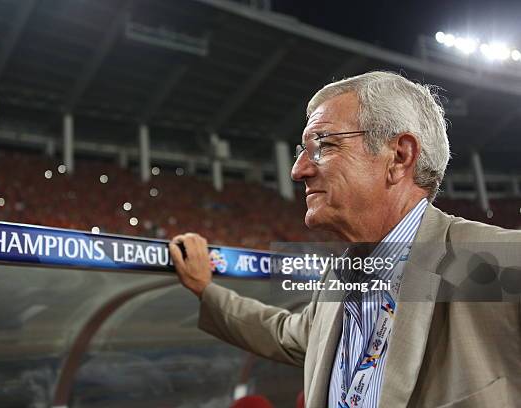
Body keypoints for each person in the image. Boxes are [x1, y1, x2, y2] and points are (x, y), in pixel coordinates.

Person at [169, 72, 521, 408]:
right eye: (302, 151)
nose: (299, 170)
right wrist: (205, 289)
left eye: (324, 144)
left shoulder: (497, 260)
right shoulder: (341, 276)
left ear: (399, 157)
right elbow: (282, 333)